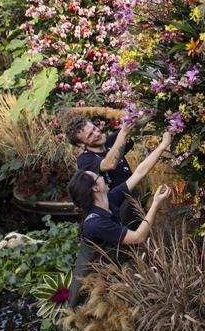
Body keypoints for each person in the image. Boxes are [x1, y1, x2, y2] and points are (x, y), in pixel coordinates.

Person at [66, 130, 173, 308]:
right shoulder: (96, 223)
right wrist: (155, 202)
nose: (101, 177)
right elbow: (138, 237)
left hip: (109, 271)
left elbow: (139, 173)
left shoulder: (109, 200)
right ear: (94, 189)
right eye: (97, 177)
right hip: (89, 285)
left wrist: (162, 145)